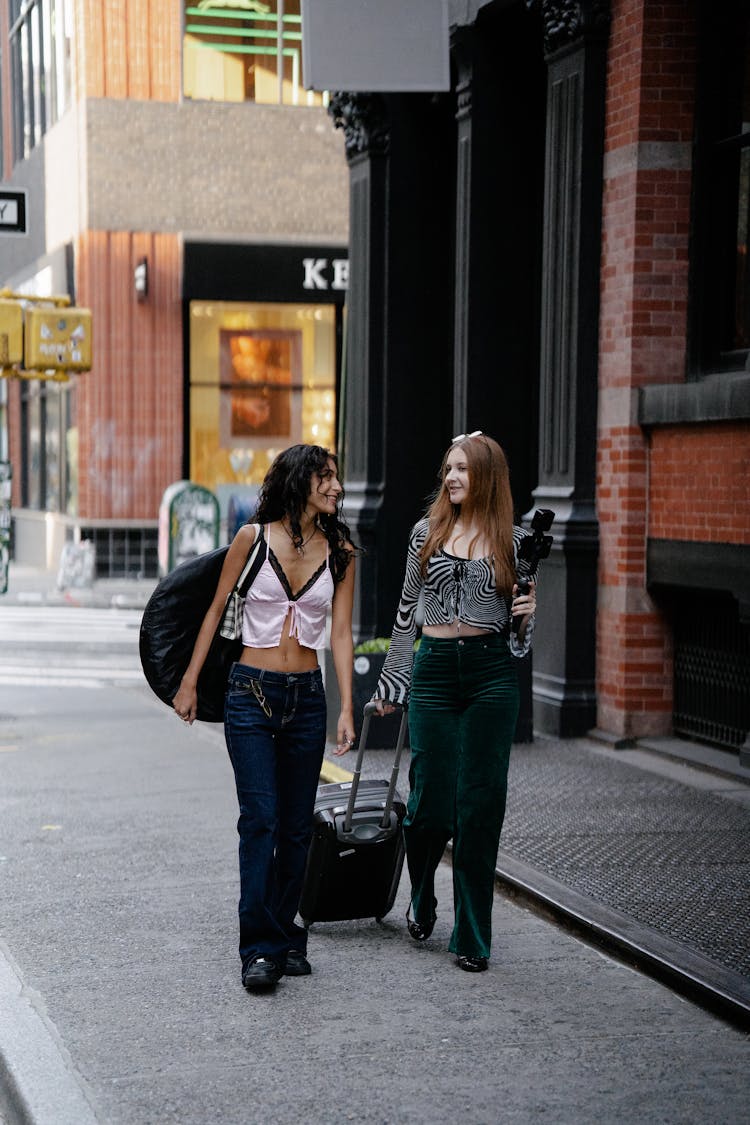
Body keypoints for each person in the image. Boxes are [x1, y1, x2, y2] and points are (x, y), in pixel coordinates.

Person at [172, 444, 356, 993]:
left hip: (307, 696)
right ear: (299, 482)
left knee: (298, 829)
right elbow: (213, 609)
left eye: (337, 478)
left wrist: (347, 705)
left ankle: (284, 935)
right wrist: (187, 681)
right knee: (261, 821)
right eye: (325, 477)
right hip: (249, 693)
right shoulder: (252, 539)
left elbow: (341, 634)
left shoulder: (341, 551)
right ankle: (259, 947)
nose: (336, 487)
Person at [371, 431, 539, 974]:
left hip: (491, 675)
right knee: (428, 806)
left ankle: (471, 932)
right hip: (436, 674)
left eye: (462, 469)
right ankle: (421, 890)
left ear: (486, 475)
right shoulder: (426, 532)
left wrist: (527, 615)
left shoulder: (515, 543)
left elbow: (518, 642)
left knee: (480, 805)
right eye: (448, 469)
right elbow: (404, 616)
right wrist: (391, 685)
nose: (451, 478)